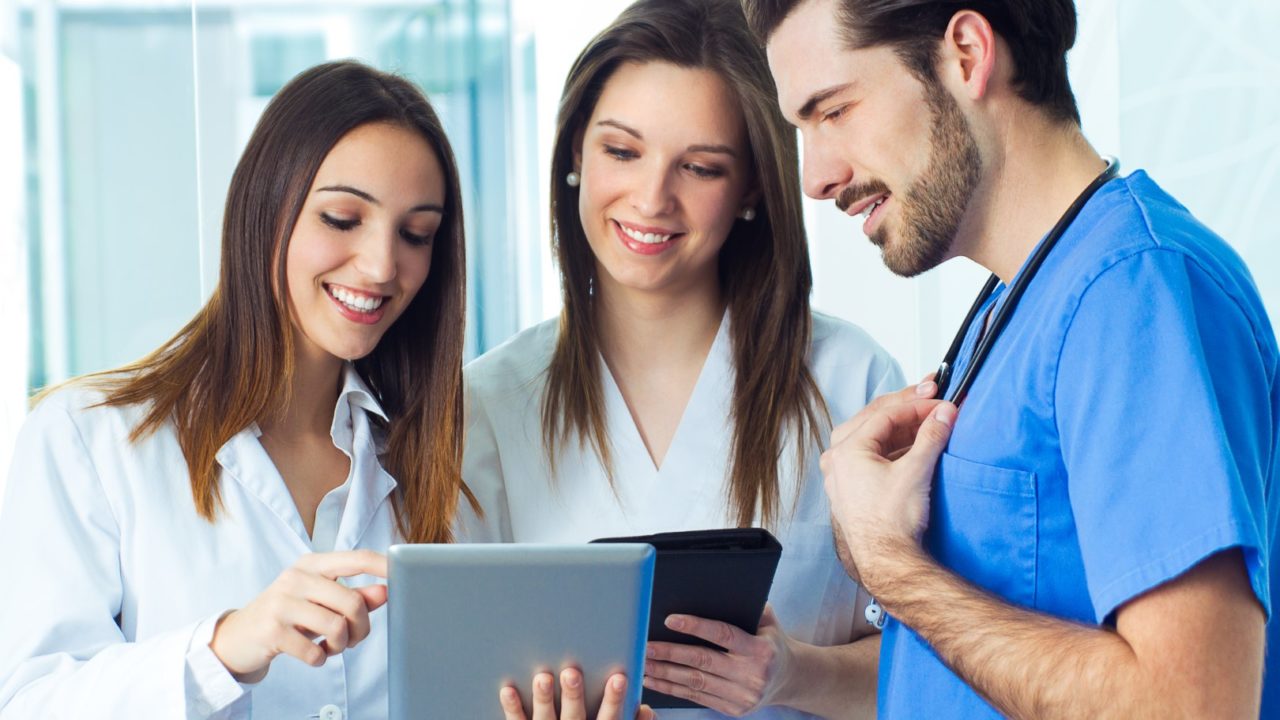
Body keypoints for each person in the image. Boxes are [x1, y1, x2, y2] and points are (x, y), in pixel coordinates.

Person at [0, 61, 638, 720]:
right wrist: (223, 648)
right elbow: (30, 702)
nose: (383, 264)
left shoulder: (438, 463)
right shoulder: (88, 437)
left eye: (415, 234)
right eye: (341, 218)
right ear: (264, 208)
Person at [742, 0, 1280, 717]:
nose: (815, 176)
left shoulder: (1135, 291)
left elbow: (1191, 703)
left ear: (966, 53)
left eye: (833, 112)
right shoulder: (1022, 298)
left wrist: (893, 569)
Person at [462, 1, 903, 718]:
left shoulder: (852, 381)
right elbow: (460, 672)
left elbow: (944, 666)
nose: (651, 198)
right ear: (576, 151)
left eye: (699, 167)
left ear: (754, 186)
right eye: (622, 151)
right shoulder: (487, 405)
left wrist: (794, 673)